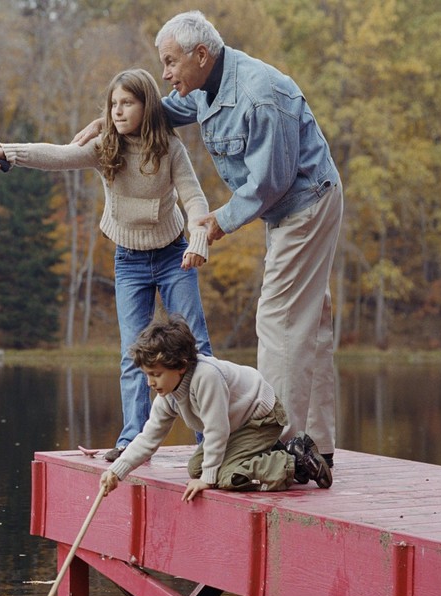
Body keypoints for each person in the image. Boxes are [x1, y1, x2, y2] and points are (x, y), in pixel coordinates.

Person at [74, 11, 344, 469]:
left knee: (278, 317)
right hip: (289, 209)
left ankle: (276, 441)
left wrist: (215, 222)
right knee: (310, 324)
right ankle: (317, 445)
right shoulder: (204, 90)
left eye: (171, 62)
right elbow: (157, 109)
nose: (165, 73)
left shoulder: (259, 96)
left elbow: (269, 183)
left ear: (202, 54)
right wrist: (108, 120)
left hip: (304, 203)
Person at [0, 68, 213, 463]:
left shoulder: (170, 149)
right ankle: (131, 442)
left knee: (198, 346)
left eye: (127, 104)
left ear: (146, 105)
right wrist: (9, 153)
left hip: (175, 254)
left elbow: (194, 199)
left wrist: (200, 239)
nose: (118, 112)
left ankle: (209, 440)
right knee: (131, 353)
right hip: (129, 261)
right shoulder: (106, 147)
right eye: (113, 105)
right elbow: (58, 155)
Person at [98, 313, 331, 502]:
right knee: (196, 468)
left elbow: (216, 430)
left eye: (156, 375)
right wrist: (117, 471)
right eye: (147, 375)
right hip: (237, 425)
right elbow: (148, 438)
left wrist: (208, 480)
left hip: (261, 418)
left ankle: (295, 461)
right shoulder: (168, 394)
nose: (150, 383)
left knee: (227, 476)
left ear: (180, 365)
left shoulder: (205, 377)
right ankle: (270, 453)